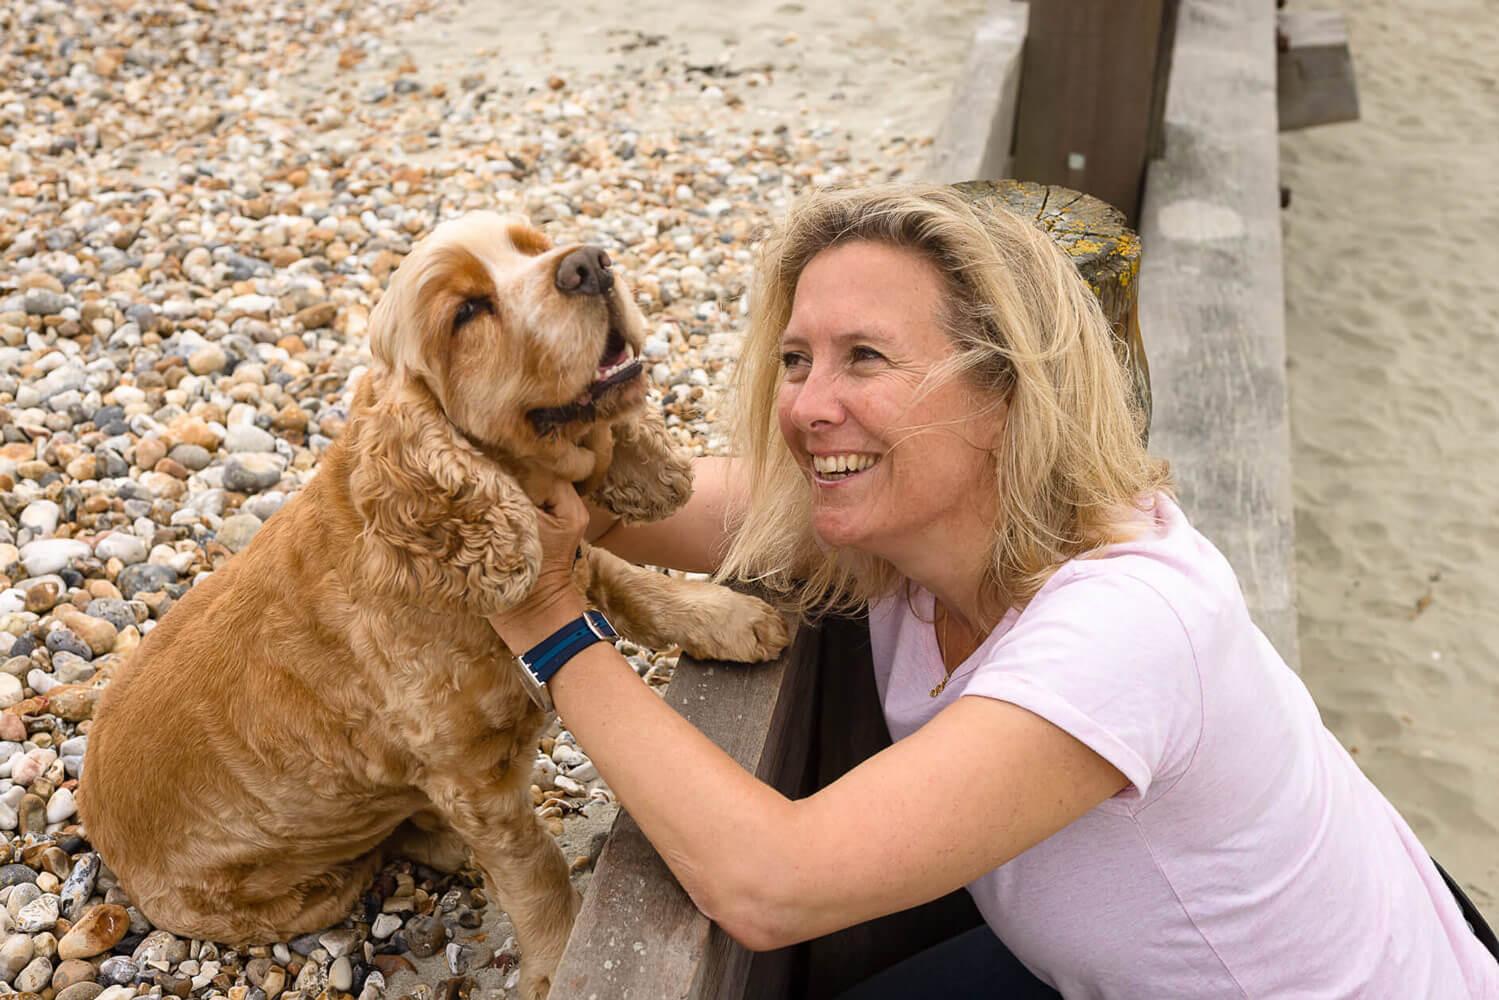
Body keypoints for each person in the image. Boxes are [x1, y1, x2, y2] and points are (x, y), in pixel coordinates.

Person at [488, 185, 1499, 997]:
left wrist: (550, 627)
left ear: (1008, 390)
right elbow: (615, 508)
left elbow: (769, 882)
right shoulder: (908, 513)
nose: (804, 407)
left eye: (864, 359)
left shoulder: (1126, 623)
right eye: (795, 360)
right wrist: (473, 424)